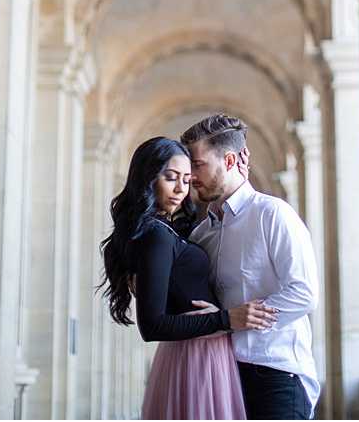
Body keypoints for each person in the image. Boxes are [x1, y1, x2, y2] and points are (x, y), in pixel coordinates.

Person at [98, 136, 278, 420]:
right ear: (148, 178)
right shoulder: (155, 235)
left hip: (199, 352)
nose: (181, 189)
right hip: (197, 356)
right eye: (170, 178)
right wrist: (227, 319)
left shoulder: (163, 230)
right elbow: (152, 325)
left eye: (187, 179)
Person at [181, 113, 320, 420]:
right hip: (222, 373)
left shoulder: (273, 214)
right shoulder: (201, 234)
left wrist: (236, 320)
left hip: (276, 373)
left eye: (198, 164)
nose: (190, 175)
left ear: (230, 161)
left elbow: (304, 293)